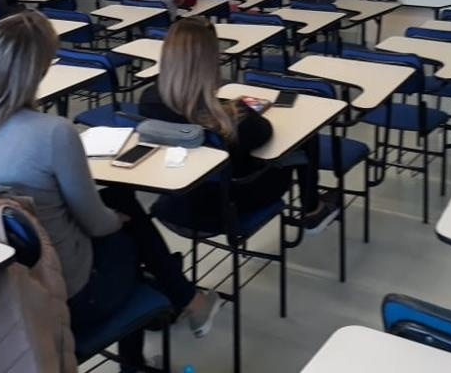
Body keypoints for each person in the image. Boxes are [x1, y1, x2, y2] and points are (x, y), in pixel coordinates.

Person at [0, 12, 220, 368]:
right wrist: (117, 220)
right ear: (37, 70)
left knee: (119, 203)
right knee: (128, 227)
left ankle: (182, 298)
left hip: (4, 284)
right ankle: (163, 323)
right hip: (69, 292)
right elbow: (97, 225)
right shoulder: (53, 133)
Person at [139, 17, 338, 234]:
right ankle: (312, 209)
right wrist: (239, 108)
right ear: (211, 60)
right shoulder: (231, 118)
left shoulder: (148, 101)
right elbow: (265, 132)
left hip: (177, 197)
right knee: (306, 135)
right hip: (230, 203)